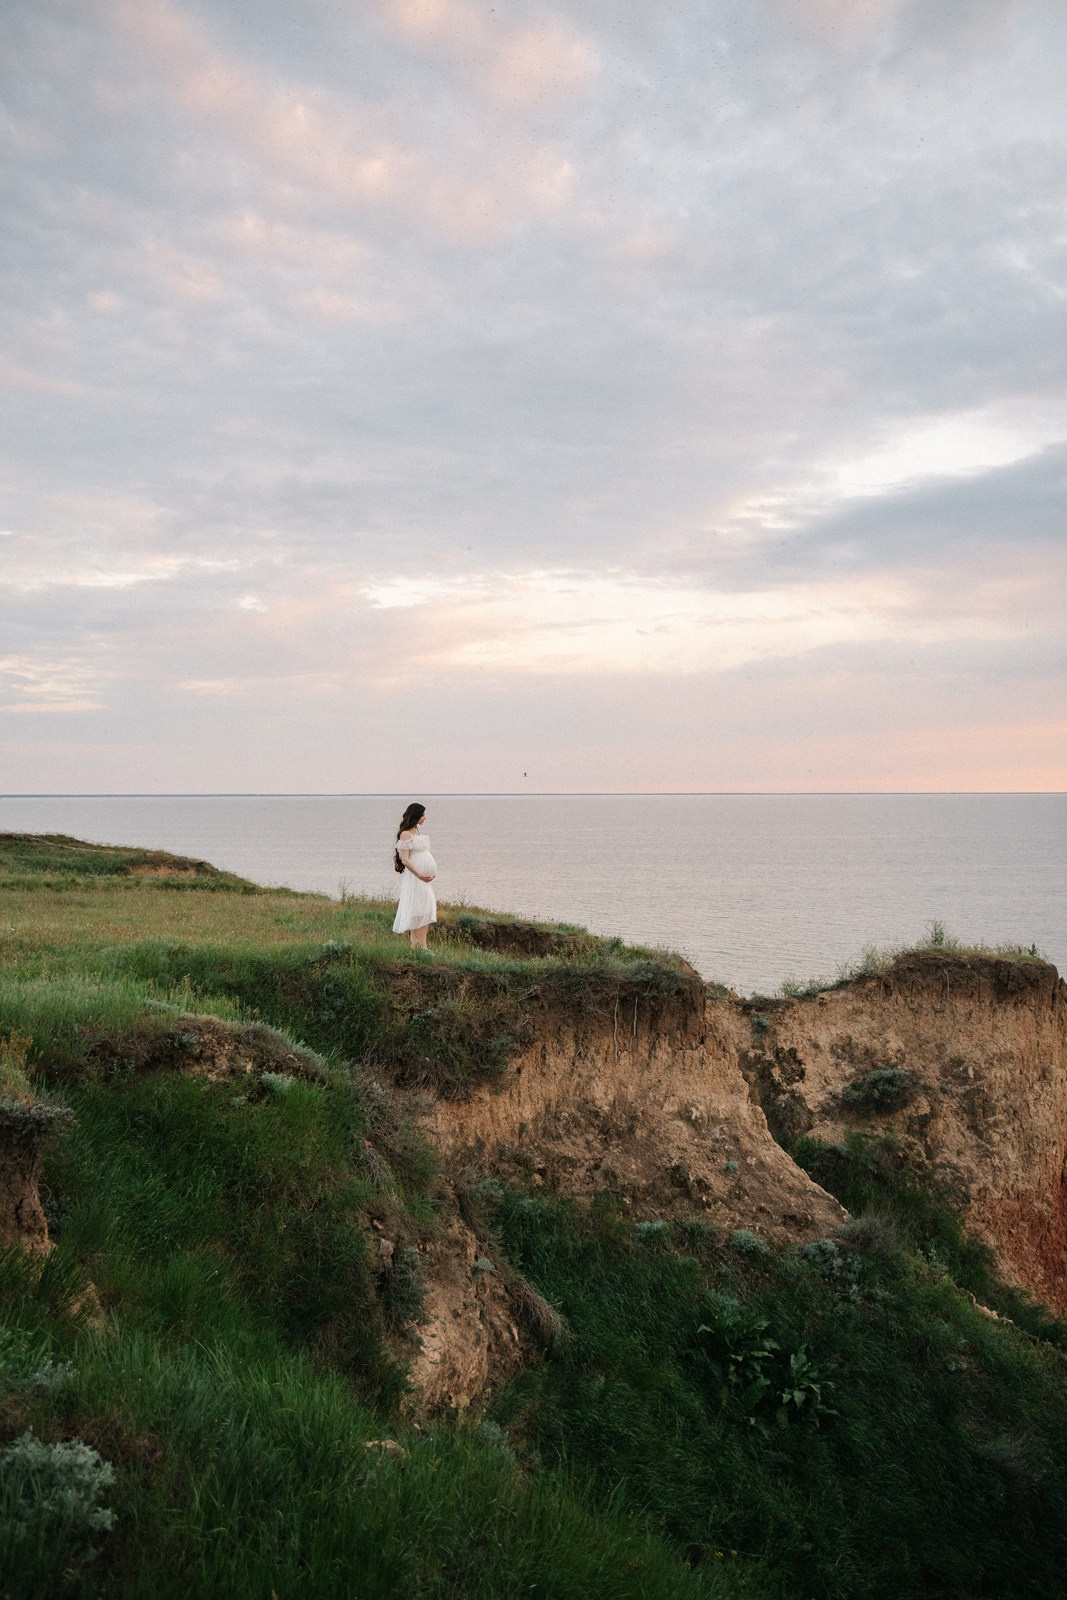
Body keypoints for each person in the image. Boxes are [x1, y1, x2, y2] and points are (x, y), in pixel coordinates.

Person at [392, 802, 437, 949]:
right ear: (416, 815)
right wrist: (419, 874)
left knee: (426, 907)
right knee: (416, 909)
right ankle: (415, 946)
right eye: (423, 815)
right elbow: (405, 859)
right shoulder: (405, 834)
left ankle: (423, 946)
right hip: (416, 878)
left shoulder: (417, 832)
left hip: (424, 880)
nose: (425, 818)